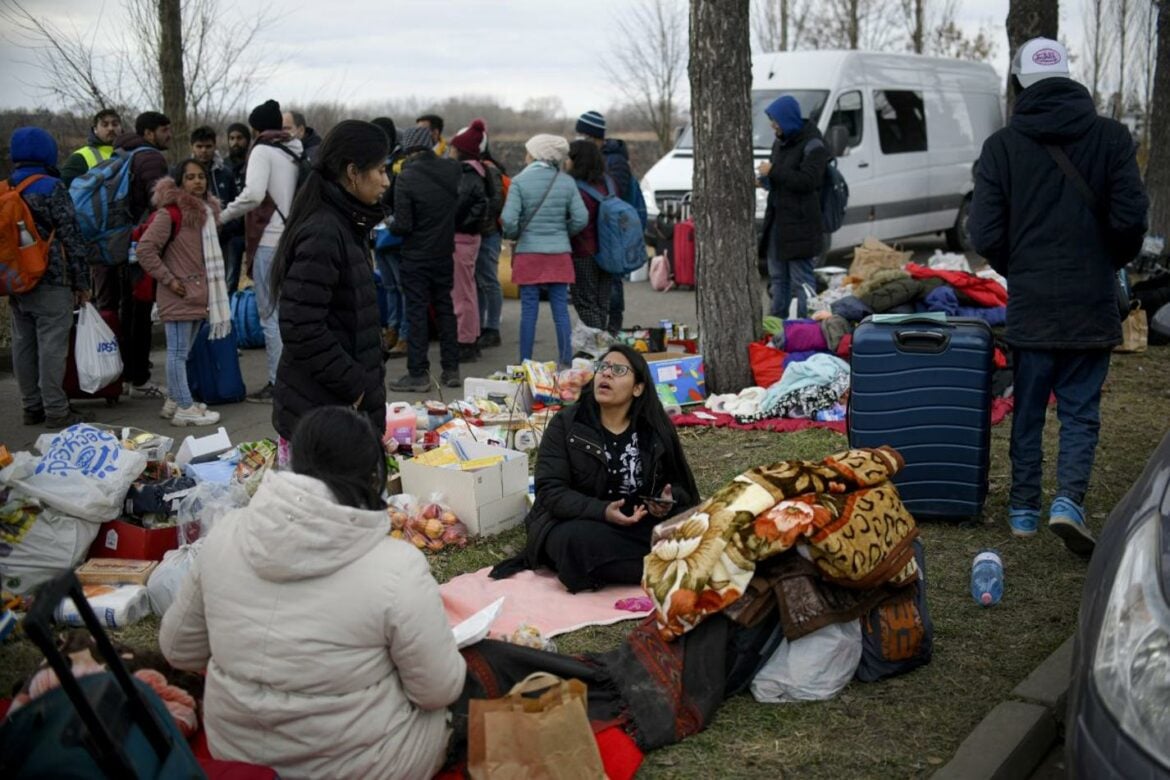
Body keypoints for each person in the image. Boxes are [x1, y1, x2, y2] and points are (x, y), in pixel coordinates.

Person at [160, 405, 465, 779]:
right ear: (372, 473)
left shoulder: (225, 533)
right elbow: (438, 690)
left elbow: (178, 648)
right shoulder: (396, 565)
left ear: (296, 458)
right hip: (361, 766)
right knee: (477, 688)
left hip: (237, 753)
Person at [969, 38, 1149, 555]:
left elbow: (984, 232)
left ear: (1021, 83)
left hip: (1031, 301)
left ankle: (1024, 509)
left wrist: (1018, 267)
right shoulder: (1112, 138)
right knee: (1080, 410)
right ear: (1070, 76)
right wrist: (1106, 261)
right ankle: (1068, 500)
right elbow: (1130, 219)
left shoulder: (1001, 148)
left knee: (1027, 408)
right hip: (1090, 298)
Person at [491, 344, 698, 591]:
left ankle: (634, 565)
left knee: (696, 526)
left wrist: (667, 500)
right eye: (603, 367)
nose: (606, 374)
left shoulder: (654, 427)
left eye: (619, 370)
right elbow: (550, 491)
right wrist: (602, 511)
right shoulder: (567, 424)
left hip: (638, 523)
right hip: (582, 522)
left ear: (638, 388)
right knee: (575, 543)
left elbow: (682, 488)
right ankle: (667, 564)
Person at [267, 120, 389, 460]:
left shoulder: (347, 223)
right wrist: (357, 386)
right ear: (353, 172)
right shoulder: (324, 230)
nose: (385, 181)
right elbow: (300, 326)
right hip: (323, 414)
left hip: (334, 411)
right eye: (380, 170)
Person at [6, 127, 93, 428]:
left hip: (17, 280)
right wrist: (82, 282)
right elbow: (71, 234)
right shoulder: (51, 187)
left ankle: (31, 407)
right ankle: (57, 411)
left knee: (23, 343)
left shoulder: (6, 187)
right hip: (51, 277)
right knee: (52, 345)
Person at [134, 161, 230, 428]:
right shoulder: (170, 214)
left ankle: (175, 401)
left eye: (201, 177)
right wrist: (169, 280)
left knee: (183, 353)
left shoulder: (206, 215)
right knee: (176, 353)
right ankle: (186, 408)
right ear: (179, 182)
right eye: (190, 177)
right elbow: (145, 250)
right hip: (177, 293)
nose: (197, 182)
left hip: (199, 293)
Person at [219, 99, 301, 404]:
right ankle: (299, 378)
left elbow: (253, 195)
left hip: (269, 241)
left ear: (256, 128)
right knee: (293, 313)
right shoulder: (296, 149)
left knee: (270, 315)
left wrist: (222, 215)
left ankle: (277, 382)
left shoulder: (263, 150)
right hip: (295, 239)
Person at [500, 134, 587, 368]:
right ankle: (566, 361)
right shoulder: (566, 182)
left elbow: (508, 219)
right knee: (560, 309)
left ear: (537, 154)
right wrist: (562, 232)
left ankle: (525, 363)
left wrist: (516, 233)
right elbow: (581, 217)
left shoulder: (519, 181)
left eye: (528, 151)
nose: (525, 156)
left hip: (529, 252)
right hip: (559, 253)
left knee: (529, 310)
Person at [388, 125, 462, 392]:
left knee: (416, 312)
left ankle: (418, 373)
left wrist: (389, 224)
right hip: (444, 253)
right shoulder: (452, 169)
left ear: (407, 149)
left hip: (416, 256)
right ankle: (451, 369)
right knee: (445, 309)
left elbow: (403, 225)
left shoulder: (406, 177)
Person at [112, 111, 173, 400]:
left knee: (127, 309)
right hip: (141, 243)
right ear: (148, 132)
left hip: (122, 242)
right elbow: (158, 201)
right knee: (140, 311)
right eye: (164, 130)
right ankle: (139, 378)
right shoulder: (151, 159)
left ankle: (125, 374)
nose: (168, 135)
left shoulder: (123, 152)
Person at [575, 110, 648, 332]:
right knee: (600, 290)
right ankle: (605, 332)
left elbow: (616, 193)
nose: (579, 138)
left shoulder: (615, 161)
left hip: (611, 232)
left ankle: (612, 328)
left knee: (608, 286)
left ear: (592, 135)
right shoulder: (605, 158)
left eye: (583, 134)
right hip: (599, 231)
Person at [757, 95, 827, 319]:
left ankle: (808, 326)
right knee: (778, 279)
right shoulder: (780, 142)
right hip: (778, 223)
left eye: (775, 120)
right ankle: (777, 326)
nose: (772, 125)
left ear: (786, 120)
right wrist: (764, 180)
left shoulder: (814, 144)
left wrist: (773, 172)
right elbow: (780, 180)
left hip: (801, 225)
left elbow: (808, 181)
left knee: (801, 281)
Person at [448, 119, 489, 362]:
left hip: (461, 239)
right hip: (470, 238)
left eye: (453, 147)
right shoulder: (479, 172)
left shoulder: (466, 176)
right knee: (468, 292)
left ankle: (464, 342)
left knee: (461, 294)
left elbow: (457, 208)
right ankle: (470, 337)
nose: (450, 151)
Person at [370, 116, 409, 358]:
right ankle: (391, 330)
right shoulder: (374, 161)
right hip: (378, 233)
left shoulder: (399, 163)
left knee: (401, 286)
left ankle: (404, 334)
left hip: (394, 233)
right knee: (389, 286)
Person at [188, 126, 242, 293]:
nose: (204, 151)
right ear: (192, 147)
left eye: (208, 146)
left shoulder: (225, 173)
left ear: (215, 146)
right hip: (192, 241)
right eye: (199, 146)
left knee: (224, 285)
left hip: (222, 240)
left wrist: (224, 227)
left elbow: (236, 207)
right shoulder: (183, 173)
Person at [567, 140, 614, 331]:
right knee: (602, 304)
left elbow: (577, 220)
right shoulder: (608, 183)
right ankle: (603, 352)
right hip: (609, 251)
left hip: (583, 251)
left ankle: (598, 353)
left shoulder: (576, 189)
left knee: (586, 304)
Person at [476, 142, 507, 349]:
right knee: (480, 282)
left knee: (487, 281)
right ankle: (480, 325)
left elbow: (495, 202)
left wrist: (475, 220)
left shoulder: (488, 169)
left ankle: (492, 327)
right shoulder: (486, 167)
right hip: (486, 232)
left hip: (487, 233)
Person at [60, 108, 121, 186]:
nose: (111, 128)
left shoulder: (131, 153)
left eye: (115, 124)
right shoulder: (80, 157)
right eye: (105, 125)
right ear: (95, 129)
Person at [223, 123, 251, 294]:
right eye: (232, 138)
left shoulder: (255, 164)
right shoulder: (224, 167)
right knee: (230, 277)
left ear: (247, 141)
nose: (235, 142)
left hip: (253, 230)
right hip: (232, 232)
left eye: (239, 138)